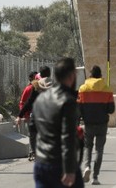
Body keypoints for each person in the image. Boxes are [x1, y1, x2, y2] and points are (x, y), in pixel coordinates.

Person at [32, 57, 83, 188]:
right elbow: (68, 137)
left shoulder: (41, 99)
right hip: (59, 164)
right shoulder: (68, 101)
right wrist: (69, 170)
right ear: (72, 75)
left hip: (41, 162)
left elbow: (36, 130)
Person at [77, 65, 115, 185]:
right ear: (100, 75)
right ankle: (95, 177)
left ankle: (87, 166)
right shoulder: (107, 89)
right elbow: (111, 109)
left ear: (91, 75)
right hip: (102, 123)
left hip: (88, 123)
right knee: (99, 149)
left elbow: (79, 108)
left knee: (88, 147)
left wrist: (80, 120)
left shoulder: (82, 89)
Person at [17, 66, 53, 162]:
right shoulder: (56, 84)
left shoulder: (35, 85)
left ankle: (34, 152)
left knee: (33, 134)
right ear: (50, 73)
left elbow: (28, 102)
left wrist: (20, 115)